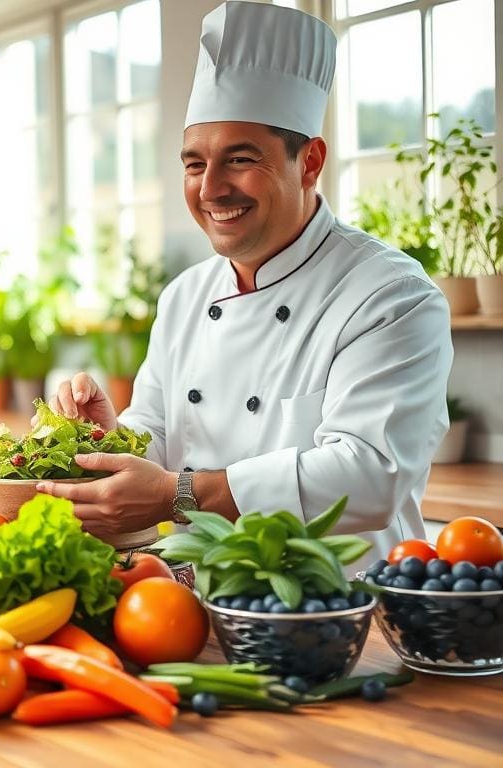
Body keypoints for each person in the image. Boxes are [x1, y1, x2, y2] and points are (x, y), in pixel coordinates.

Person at [36, 0, 453, 568]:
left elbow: (369, 475)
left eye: (239, 159)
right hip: (192, 593)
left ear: (310, 162)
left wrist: (178, 494)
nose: (211, 189)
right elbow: (157, 432)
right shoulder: (183, 297)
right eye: (194, 164)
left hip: (340, 600)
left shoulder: (390, 296)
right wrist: (111, 440)